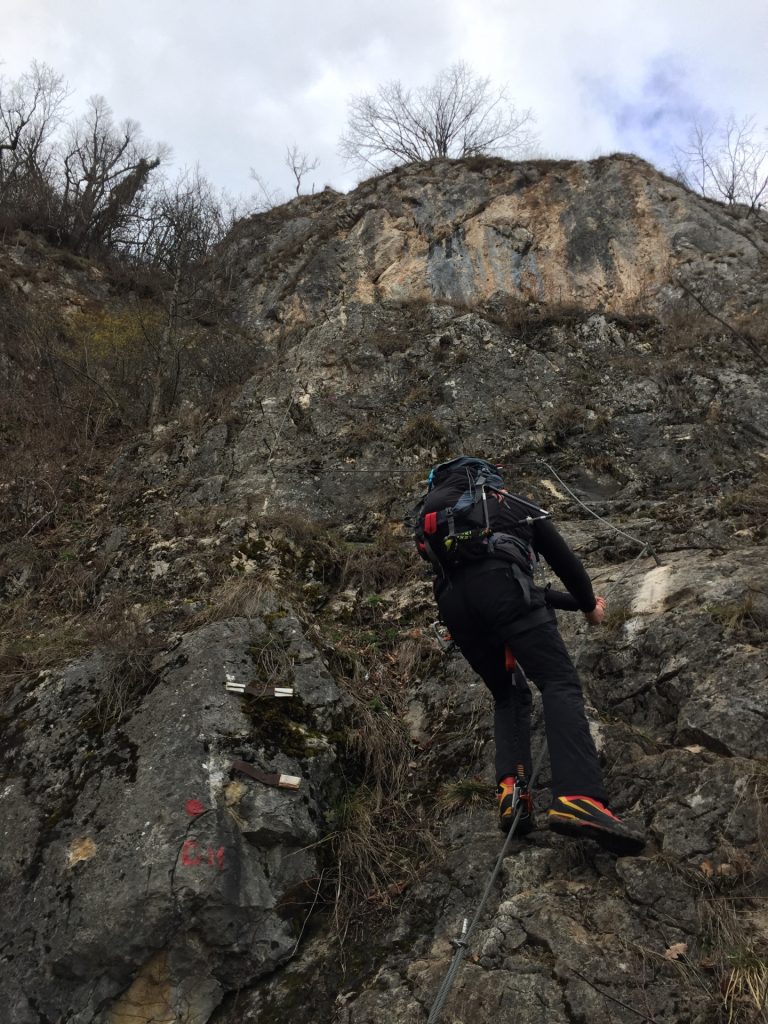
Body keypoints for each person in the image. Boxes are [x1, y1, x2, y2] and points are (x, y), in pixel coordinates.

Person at [416, 456, 645, 857]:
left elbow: (484, 582)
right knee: (558, 681)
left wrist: (575, 604)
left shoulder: (440, 523)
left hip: (455, 606)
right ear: (486, 480)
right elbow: (562, 561)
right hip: (504, 591)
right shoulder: (503, 503)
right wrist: (589, 604)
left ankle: (512, 794)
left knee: (508, 694)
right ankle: (579, 797)